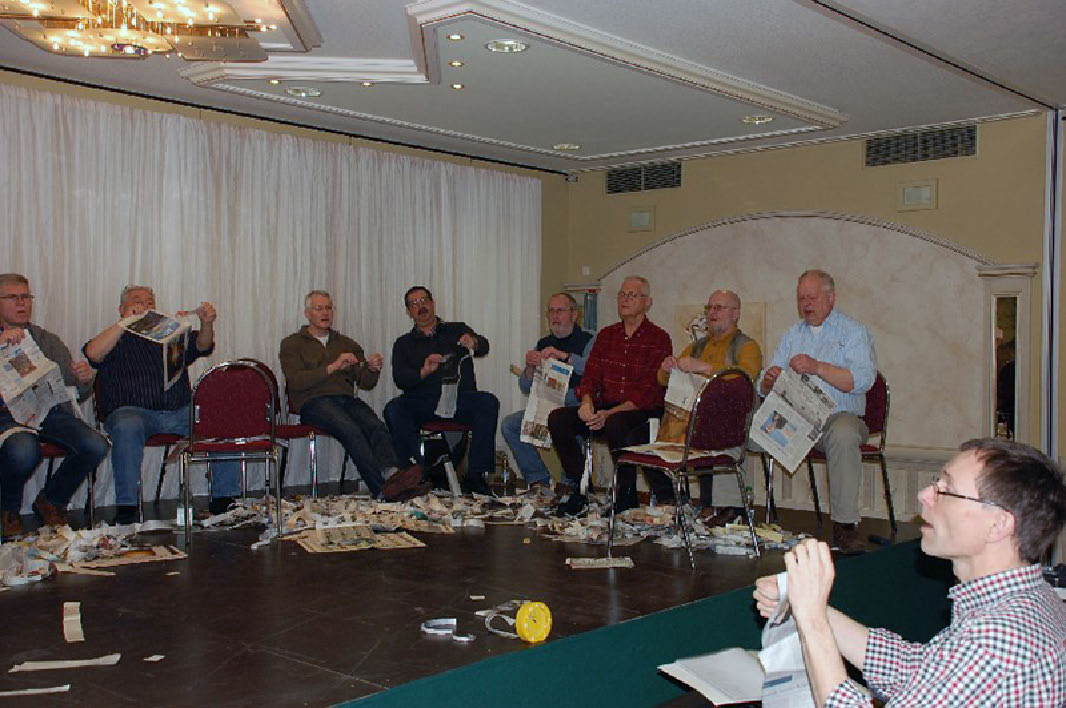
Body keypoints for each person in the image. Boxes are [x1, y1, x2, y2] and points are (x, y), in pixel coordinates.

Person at [754, 438, 1066, 706]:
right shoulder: (1033, 600)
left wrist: (812, 620)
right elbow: (914, 670)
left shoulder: (994, 642)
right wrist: (804, 601)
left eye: (947, 490)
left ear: (998, 524)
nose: (925, 495)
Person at [84, 285, 240, 524]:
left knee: (218, 417)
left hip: (178, 410)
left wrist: (206, 323)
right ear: (122, 309)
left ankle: (224, 501)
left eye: (149, 301)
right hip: (132, 412)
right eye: (137, 300)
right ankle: (128, 507)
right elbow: (93, 353)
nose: (144, 305)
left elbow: (203, 346)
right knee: (127, 426)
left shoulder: (169, 335)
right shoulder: (115, 336)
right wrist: (126, 322)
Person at [761, 270, 875, 553]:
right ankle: (730, 508)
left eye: (812, 298)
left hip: (839, 417)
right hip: (797, 418)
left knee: (843, 433)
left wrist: (817, 367)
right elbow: (764, 385)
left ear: (831, 298)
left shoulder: (854, 332)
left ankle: (845, 525)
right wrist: (769, 380)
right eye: (801, 299)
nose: (806, 304)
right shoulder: (792, 334)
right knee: (745, 425)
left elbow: (862, 380)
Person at [547, 276, 672, 517]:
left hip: (641, 411)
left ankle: (626, 496)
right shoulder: (607, 335)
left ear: (647, 302)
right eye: (622, 295)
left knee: (616, 423)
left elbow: (647, 390)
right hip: (605, 407)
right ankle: (583, 490)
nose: (625, 299)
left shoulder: (658, 338)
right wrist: (587, 403)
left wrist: (608, 414)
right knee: (558, 419)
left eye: (632, 295)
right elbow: (590, 376)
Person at [279, 291, 421, 499]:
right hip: (313, 402)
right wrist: (334, 366)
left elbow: (365, 383)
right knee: (351, 430)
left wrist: (372, 369)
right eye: (319, 308)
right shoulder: (292, 344)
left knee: (376, 426)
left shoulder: (346, 343)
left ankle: (393, 475)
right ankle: (382, 490)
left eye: (329, 308)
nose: (325, 313)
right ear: (307, 313)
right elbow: (296, 381)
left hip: (345, 399)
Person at [0, 274, 108, 535]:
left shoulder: (46, 340)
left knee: (96, 444)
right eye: (13, 297)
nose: (22, 303)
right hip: (5, 417)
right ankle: (7, 510)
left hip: (45, 412)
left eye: (26, 296)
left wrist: (84, 379)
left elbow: (74, 390)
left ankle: (52, 500)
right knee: (24, 449)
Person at [658, 289, 761, 525]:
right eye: (709, 308)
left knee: (712, 426)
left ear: (735, 314)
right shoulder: (696, 347)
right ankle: (687, 502)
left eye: (719, 308)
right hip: (696, 418)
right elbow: (662, 381)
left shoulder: (747, 346)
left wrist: (704, 368)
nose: (712, 313)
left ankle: (723, 507)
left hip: (736, 419)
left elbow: (745, 378)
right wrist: (667, 368)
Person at [383, 286, 499, 496]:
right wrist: (424, 371)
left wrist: (473, 342)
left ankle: (476, 475)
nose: (421, 306)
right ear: (408, 312)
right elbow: (401, 379)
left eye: (424, 300)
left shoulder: (456, 329)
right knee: (394, 409)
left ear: (433, 303)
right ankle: (413, 473)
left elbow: (484, 347)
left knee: (488, 402)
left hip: (459, 399)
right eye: (414, 304)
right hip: (424, 401)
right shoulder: (403, 343)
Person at [501, 292, 594, 491]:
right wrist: (530, 367)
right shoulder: (543, 343)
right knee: (510, 425)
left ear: (574, 314)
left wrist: (565, 356)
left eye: (560, 310)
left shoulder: (589, 339)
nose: (555, 316)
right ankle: (539, 480)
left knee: (566, 423)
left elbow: (594, 370)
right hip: (546, 405)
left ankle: (572, 486)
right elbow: (525, 387)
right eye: (551, 311)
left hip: (575, 405)